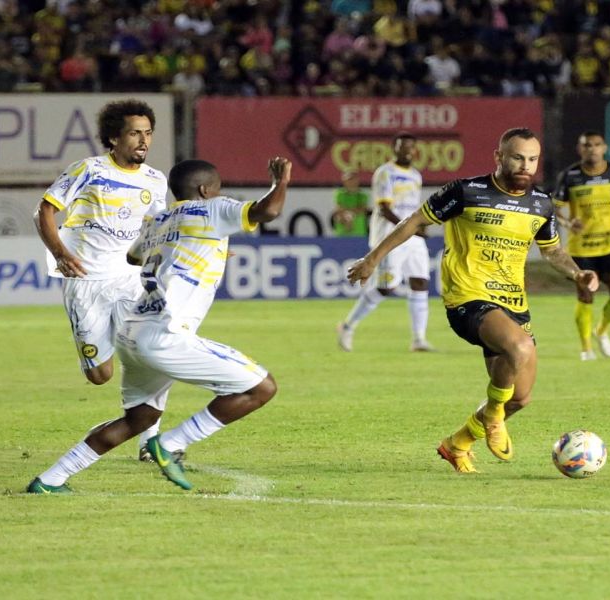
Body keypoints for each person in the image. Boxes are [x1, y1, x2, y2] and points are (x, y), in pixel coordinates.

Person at [27, 156, 291, 494]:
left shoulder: (159, 220)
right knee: (261, 388)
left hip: (132, 333)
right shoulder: (213, 209)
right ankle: (172, 443)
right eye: (218, 189)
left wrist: (202, 248)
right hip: (165, 336)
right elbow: (267, 211)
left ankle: (50, 479)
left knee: (140, 419)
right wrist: (280, 182)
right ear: (205, 190)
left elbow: (133, 258)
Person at [347, 128, 598, 474]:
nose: (525, 165)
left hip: (512, 302)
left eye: (532, 159)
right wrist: (373, 258)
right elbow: (414, 220)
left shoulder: (540, 203)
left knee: (520, 397)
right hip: (467, 297)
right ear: (499, 157)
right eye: (517, 157)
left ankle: (457, 444)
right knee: (519, 350)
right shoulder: (466, 191)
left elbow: (552, 248)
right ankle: (493, 415)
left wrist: (578, 274)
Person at [34, 99, 172, 462]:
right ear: (113, 138)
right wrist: (62, 254)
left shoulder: (155, 180)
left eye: (148, 133)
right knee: (100, 376)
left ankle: (149, 440)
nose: (143, 141)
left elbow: (159, 227)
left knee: (151, 353)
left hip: (131, 281)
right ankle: (116, 429)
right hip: (87, 281)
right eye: (134, 133)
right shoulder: (88, 170)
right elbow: (45, 211)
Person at [336, 132, 434, 353]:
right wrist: (410, 228)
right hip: (390, 235)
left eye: (410, 147)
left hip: (412, 236)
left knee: (420, 282)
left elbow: (412, 207)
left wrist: (419, 226)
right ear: (394, 148)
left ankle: (418, 339)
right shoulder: (385, 173)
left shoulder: (416, 176)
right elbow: (384, 208)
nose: (407, 151)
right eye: (402, 147)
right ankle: (347, 326)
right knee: (386, 287)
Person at [552, 130, 610, 361]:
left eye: (597, 145)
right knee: (586, 296)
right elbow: (554, 209)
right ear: (580, 149)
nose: (592, 149)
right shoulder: (569, 176)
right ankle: (586, 348)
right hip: (582, 249)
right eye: (587, 145)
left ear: (604, 148)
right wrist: (568, 222)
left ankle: (602, 331)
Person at [332, 169, 368, 237]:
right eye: (348, 180)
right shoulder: (339, 194)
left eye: (352, 179)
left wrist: (349, 215)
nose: (350, 182)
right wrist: (347, 217)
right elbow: (339, 209)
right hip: (342, 233)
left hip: (359, 233)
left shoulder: (363, 195)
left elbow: (362, 209)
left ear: (357, 180)